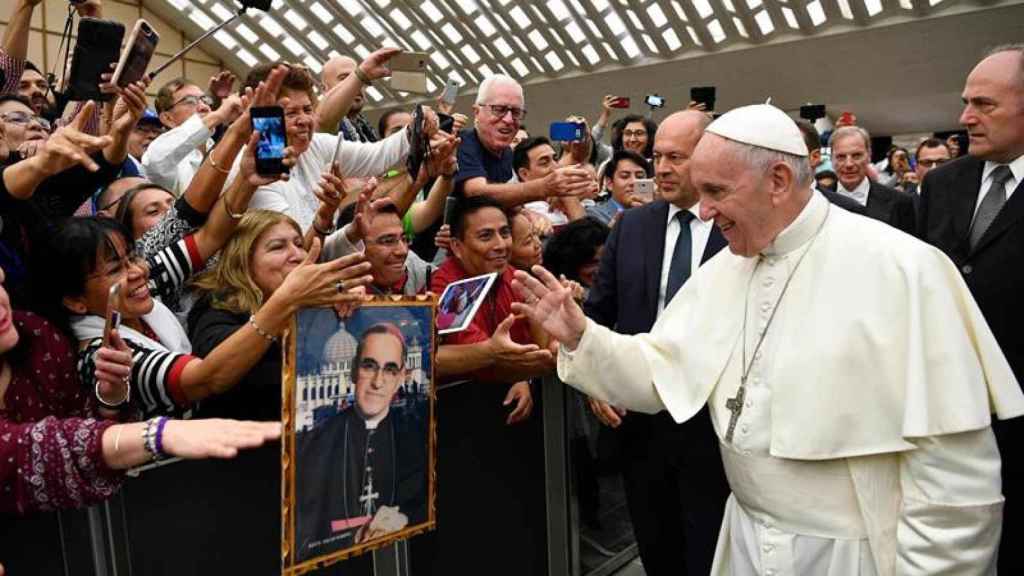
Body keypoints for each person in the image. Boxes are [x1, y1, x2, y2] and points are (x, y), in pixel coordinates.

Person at [513, 103, 1024, 575]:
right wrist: (584, 336)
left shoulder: (904, 269)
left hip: (857, 552)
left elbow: (955, 478)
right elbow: (660, 368)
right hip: (746, 541)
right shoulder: (727, 270)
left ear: (778, 180)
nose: (705, 213)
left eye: (716, 191)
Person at [0, 264, 282, 516]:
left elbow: (84, 419)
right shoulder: (93, 349)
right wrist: (157, 435)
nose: (137, 272)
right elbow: (30, 451)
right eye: (113, 270)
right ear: (76, 301)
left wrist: (110, 401)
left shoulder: (36, 334)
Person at [582, 110, 729, 576]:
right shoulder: (632, 226)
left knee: (712, 549)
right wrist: (596, 383)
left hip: (714, 422)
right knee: (657, 545)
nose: (661, 168)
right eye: (657, 156)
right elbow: (600, 314)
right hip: (641, 423)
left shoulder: (737, 227)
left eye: (676, 158)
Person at [917, 44, 1024, 573]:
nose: (965, 118)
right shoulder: (942, 184)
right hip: (948, 416)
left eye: (984, 104)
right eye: (965, 102)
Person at [417, 195, 552, 575]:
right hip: (463, 434)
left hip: (519, 437)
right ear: (457, 246)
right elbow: (473, 348)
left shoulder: (515, 276)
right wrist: (520, 367)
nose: (500, 245)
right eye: (486, 236)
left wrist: (526, 368)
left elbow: (542, 346)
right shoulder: (447, 285)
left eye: (505, 233)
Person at [295, 323, 427, 561]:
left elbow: (420, 502)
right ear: (354, 371)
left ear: (400, 379)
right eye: (369, 366)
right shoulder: (315, 443)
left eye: (389, 370)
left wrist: (404, 518)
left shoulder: (414, 434)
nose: (378, 382)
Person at [454, 74, 591, 206]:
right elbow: (476, 193)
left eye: (516, 112)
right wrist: (543, 188)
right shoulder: (461, 142)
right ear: (477, 112)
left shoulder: (508, 153)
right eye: (499, 109)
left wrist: (582, 138)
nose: (508, 120)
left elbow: (574, 159)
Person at [142, 77, 242, 196]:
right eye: (189, 101)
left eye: (205, 100)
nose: (204, 107)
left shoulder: (225, 146)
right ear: (168, 118)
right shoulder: (167, 158)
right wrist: (219, 115)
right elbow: (155, 160)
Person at [831, 125, 917, 234]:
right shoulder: (816, 200)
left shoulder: (900, 202)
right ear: (831, 159)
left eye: (856, 155)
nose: (849, 164)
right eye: (841, 157)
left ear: (869, 156)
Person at [795, 120, 867, 214]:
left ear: (815, 157)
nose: (849, 164)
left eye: (856, 155)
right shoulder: (771, 205)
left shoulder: (847, 209)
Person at [515, 136, 586, 227]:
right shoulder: (531, 215)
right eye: (544, 163)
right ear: (524, 174)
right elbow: (586, 235)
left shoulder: (559, 202)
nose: (556, 167)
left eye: (555, 159)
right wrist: (567, 196)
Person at [320, 55, 380, 141]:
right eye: (344, 78)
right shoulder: (319, 131)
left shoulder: (366, 129)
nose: (355, 84)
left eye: (360, 79)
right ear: (324, 89)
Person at [587, 149, 652, 226]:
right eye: (625, 176)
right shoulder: (594, 215)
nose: (633, 182)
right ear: (610, 183)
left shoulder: (657, 213)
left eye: (640, 177)